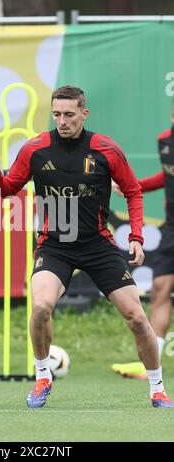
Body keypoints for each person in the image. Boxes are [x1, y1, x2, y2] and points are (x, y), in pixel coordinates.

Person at [0, 85, 174, 408]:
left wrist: (136, 236)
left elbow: (133, 191)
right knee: (40, 307)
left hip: (98, 245)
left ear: (85, 113)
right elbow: (10, 188)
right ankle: (42, 376)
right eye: (57, 114)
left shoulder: (106, 149)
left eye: (69, 114)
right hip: (54, 246)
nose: (62, 121)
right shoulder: (35, 149)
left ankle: (158, 388)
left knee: (138, 319)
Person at [112, 102, 174, 380]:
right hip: (172, 227)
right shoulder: (165, 140)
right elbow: (168, 175)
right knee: (160, 288)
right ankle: (153, 361)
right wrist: (135, 185)